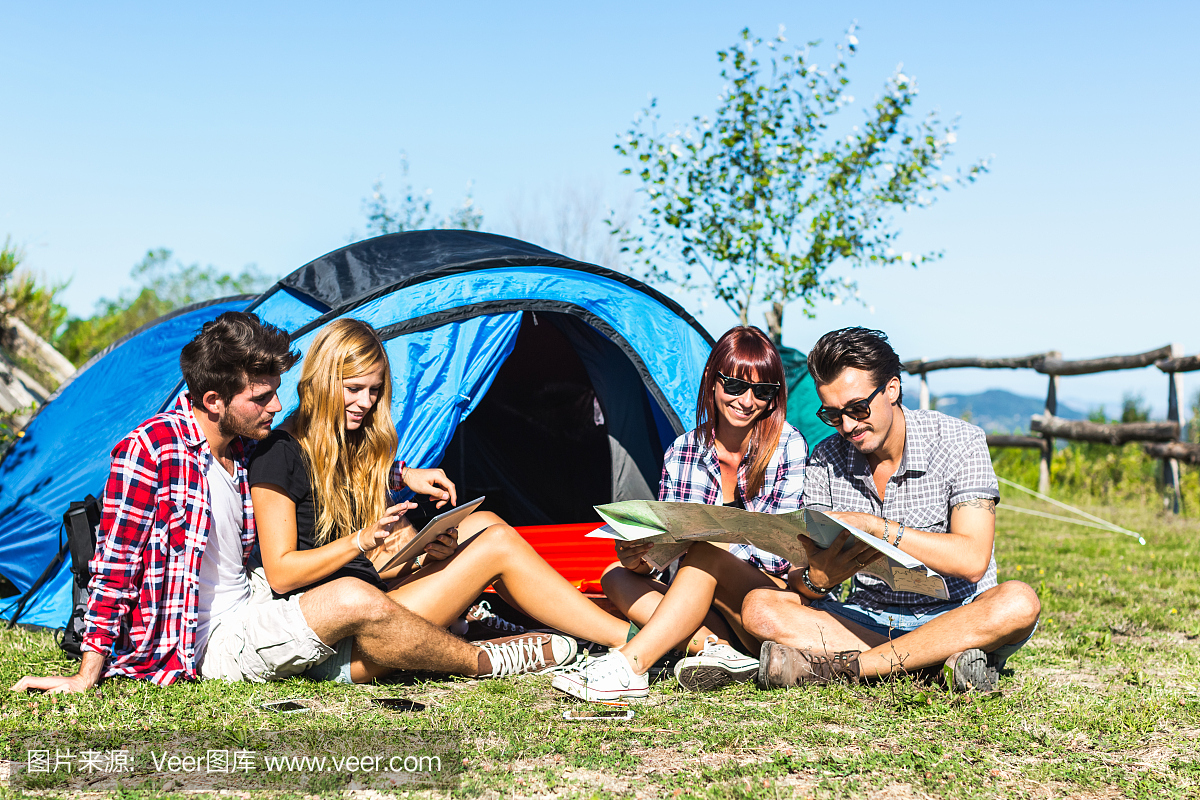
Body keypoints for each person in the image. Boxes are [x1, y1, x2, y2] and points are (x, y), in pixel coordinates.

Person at [9, 312, 554, 694]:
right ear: (214, 400)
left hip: (255, 604)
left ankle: (467, 626)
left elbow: (312, 460)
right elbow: (115, 565)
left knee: (375, 586)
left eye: (276, 391)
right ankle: (480, 657)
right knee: (350, 598)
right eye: (262, 397)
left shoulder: (243, 447)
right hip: (206, 644)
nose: (277, 405)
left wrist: (400, 472)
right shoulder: (151, 450)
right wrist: (87, 672)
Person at [248, 318, 632, 684]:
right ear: (322, 381)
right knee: (495, 546)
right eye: (353, 388)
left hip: (376, 606)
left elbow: (373, 568)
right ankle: (629, 641)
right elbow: (282, 574)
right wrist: (360, 540)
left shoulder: (352, 448)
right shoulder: (279, 453)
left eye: (374, 390)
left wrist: (425, 554)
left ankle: (588, 632)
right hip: (340, 640)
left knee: (485, 524)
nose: (365, 402)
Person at [741, 327, 1041, 692]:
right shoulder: (824, 459)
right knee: (759, 608)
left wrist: (877, 528)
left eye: (857, 408)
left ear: (893, 389)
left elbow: (973, 558)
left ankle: (851, 668)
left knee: (1018, 602)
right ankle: (933, 663)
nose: (848, 426)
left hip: (958, 614)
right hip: (867, 618)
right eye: (833, 415)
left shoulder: (961, 441)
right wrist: (815, 580)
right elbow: (804, 574)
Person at [552, 326, 808, 702]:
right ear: (712, 381)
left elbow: (779, 554)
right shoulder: (681, 452)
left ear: (773, 398)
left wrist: (707, 541)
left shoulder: (788, 445)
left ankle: (631, 666)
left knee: (705, 553)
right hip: (705, 600)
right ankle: (717, 649)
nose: (747, 400)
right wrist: (640, 557)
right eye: (735, 385)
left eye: (762, 391)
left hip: (767, 600)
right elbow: (664, 557)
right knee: (615, 576)